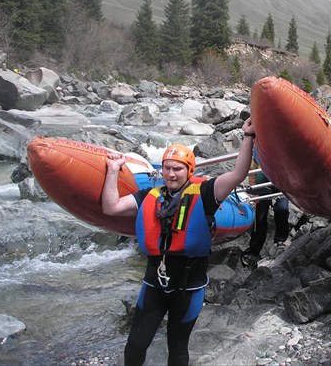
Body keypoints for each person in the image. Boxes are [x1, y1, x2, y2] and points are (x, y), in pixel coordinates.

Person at [102, 118, 255, 366]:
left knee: (177, 347)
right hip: (154, 284)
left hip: (188, 287)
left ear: (189, 171)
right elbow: (111, 207)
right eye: (167, 168)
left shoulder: (206, 193)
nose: (171, 174)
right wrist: (112, 169)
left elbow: (238, 174)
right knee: (135, 345)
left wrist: (247, 136)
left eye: (178, 169)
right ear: (161, 170)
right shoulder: (148, 196)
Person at [241, 159, 290, 266]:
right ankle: (253, 251)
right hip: (262, 183)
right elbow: (252, 170)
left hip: (281, 182)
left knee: (282, 209)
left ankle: (280, 241)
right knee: (260, 218)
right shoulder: (258, 151)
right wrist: (254, 189)